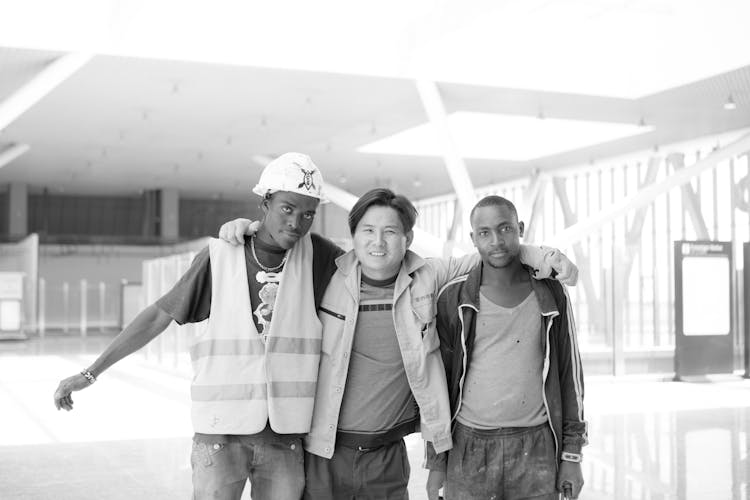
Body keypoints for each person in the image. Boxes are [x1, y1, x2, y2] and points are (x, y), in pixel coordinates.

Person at [218, 190, 578, 499]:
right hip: (324, 452)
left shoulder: (429, 277)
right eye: (368, 231)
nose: (378, 243)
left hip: (388, 454)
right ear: (353, 236)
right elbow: (279, 244)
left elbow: (496, 251)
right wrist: (244, 229)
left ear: (407, 237)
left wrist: (547, 256)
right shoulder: (325, 270)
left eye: (390, 232)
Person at [53, 153, 344, 500]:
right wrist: (90, 373)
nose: (297, 222)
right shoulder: (220, 256)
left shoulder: (322, 258)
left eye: (308, 213)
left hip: (286, 439)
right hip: (219, 438)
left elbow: (372, 271)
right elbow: (157, 316)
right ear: (264, 202)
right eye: (287, 208)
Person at [425, 195, 587, 500]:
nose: (496, 241)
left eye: (505, 229)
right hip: (467, 447)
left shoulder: (551, 293)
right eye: (484, 233)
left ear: (520, 229)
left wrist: (572, 455)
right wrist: (436, 461)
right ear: (473, 239)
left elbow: (570, 375)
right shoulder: (453, 297)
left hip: (537, 445)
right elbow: (437, 385)